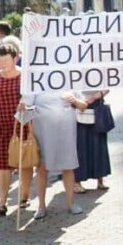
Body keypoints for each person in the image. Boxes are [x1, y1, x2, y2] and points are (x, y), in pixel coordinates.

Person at [0, 43, 32, 216]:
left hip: (22, 127)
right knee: (3, 166)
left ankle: (24, 198)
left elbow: (34, 100)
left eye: (6, 60)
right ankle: (2, 201)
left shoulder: (25, 77)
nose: (2, 64)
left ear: (15, 58)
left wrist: (27, 105)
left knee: (24, 163)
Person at [22, 90, 81, 219]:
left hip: (66, 129)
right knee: (42, 167)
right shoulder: (36, 80)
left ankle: (71, 203)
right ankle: (41, 206)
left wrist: (75, 101)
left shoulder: (69, 77)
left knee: (68, 166)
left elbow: (83, 105)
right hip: (43, 131)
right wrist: (22, 107)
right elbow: (25, 106)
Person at [71, 91, 111, 193]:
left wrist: (94, 97)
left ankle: (100, 179)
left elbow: (107, 87)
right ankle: (76, 181)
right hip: (77, 107)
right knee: (80, 146)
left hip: (97, 107)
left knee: (99, 144)